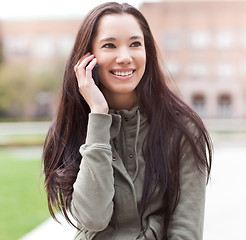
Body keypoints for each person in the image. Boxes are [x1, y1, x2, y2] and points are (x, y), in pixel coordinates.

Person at [42, 2, 212, 240]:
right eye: (109, 45)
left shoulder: (183, 130)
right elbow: (93, 218)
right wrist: (99, 116)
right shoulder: (72, 128)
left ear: (147, 53)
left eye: (135, 44)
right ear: (87, 58)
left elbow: (186, 231)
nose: (125, 57)